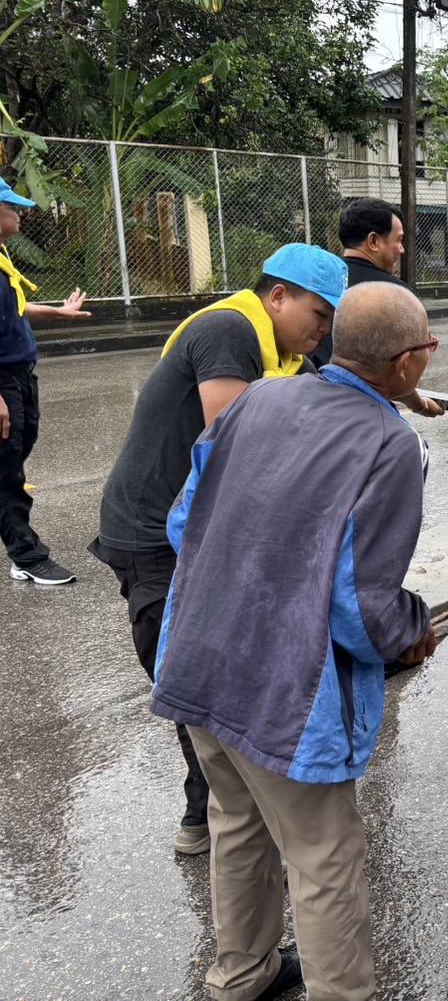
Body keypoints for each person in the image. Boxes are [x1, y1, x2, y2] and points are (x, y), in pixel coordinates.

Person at [151, 281, 439, 1001]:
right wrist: (412, 629)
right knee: (324, 858)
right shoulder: (389, 443)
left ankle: (240, 974)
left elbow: (184, 524)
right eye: (429, 346)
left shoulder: (258, 398)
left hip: (197, 654)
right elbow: (359, 607)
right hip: (282, 689)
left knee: (236, 824)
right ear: (407, 362)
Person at [91, 243, 346, 855]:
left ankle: (216, 818)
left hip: (203, 528)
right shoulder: (229, 330)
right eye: (319, 314)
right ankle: (216, 819)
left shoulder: (286, 351)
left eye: (332, 321)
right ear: (277, 296)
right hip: (153, 534)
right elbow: (237, 445)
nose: (323, 331)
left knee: (224, 671)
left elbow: (329, 400)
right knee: (195, 675)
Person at [0, 181, 92, 586]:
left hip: (21, 374)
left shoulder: (2, 256)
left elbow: (16, 306)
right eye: (11, 206)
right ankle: (27, 556)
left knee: (16, 454)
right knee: (6, 471)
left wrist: (59, 313)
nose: (20, 213)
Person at [310, 198, 442, 419]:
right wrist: (418, 404)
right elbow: (395, 373)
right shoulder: (394, 296)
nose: (402, 249)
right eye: (398, 240)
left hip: (313, 401)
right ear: (373, 241)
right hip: (361, 411)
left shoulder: (315, 285)